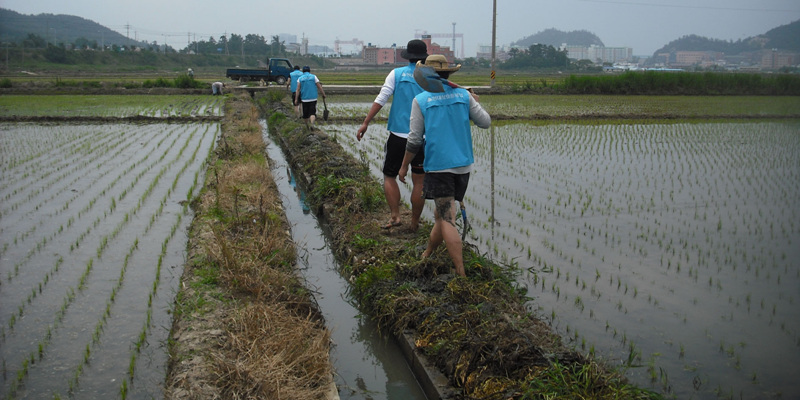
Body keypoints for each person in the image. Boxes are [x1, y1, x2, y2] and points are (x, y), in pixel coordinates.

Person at [398, 55, 491, 277]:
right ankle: (428, 252)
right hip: (463, 167)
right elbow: (485, 122)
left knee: (447, 218)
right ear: (449, 74)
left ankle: (460, 272)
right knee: (442, 215)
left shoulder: (421, 100)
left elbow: (414, 140)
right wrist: (473, 100)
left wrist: (403, 167)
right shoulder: (464, 96)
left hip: (439, 167)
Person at [356, 39, 428, 231]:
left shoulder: (396, 74)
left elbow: (382, 98)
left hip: (398, 136)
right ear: (425, 56)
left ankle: (395, 216)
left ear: (408, 57)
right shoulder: (432, 75)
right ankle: (414, 222)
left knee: (389, 176)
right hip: (423, 137)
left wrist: (366, 122)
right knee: (419, 180)